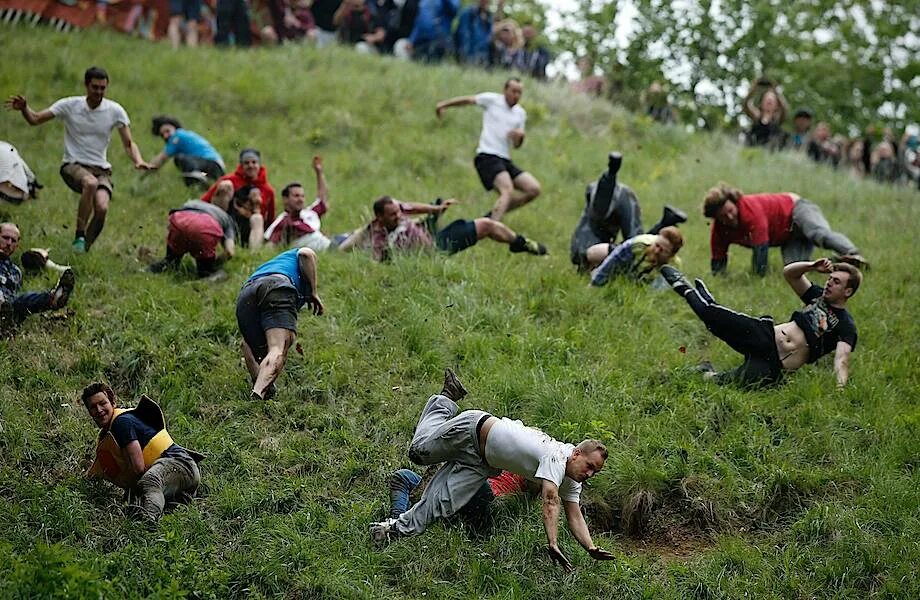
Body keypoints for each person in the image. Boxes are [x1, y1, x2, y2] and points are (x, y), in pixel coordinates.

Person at [370, 368, 616, 573]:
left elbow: (574, 515)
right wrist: (552, 542)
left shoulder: (572, 480)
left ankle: (386, 531)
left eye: (595, 472)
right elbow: (550, 500)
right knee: (418, 452)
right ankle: (445, 399)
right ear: (576, 454)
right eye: (590, 466)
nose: (590, 473)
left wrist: (591, 548)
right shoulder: (557, 455)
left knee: (439, 505)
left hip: (482, 464)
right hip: (472, 430)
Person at [6, 66, 150, 252]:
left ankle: (82, 251)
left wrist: (138, 160)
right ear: (86, 85)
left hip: (101, 170)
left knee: (102, 208)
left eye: (102, 88)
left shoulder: (115, 110)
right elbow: (35, 119)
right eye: (95, 87)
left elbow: (129, 143)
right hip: (73, 165)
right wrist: (25, 108)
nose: (99, 92)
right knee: (90, 183)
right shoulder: (70, 105)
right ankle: (79, 236)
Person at [660, 258, 860, 388]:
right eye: (830, 278)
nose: (829, 283)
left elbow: (842, 359)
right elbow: (790, 274)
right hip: (763, 336)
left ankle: (704, 370)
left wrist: (840, 388)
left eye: (836, 282)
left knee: (723, 383)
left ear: (848, 291)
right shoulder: (816, 296)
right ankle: (683, 286)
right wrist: (810, 266)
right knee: (711, 318)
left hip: (775, 366)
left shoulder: (846, 326)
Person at [83, 382, 203, 525]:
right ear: (89, 412)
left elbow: (139, 467)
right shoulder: (108, 434)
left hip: (180, 464)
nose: (99, 410)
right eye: (93, 407)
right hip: (176, 476)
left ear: (113, 402)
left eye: (102, 403)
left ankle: (149, 523)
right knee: (132, 503)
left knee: (148, 482)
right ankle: (178, 501)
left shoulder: (121, 423)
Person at [703, 183, 867, 276]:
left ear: (734, 203)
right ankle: (841, 261)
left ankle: (853, 253)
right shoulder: (719, 229)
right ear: (716, 218)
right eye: (724, 216)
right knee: (796, 270)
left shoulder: (749, 210)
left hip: (796, 209)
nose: (729, 217)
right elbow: (718, 258)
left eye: (730, 211)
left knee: (818, 234)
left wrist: (757, 278)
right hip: (788, 236)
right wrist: (719, 278)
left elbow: (761, 250)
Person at [436, 78, 540, 221]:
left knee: (533, 189)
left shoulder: (520, 113)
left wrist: (520, 137)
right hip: (487, 156)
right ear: (505, 90)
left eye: (519, 93)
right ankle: (493, 225)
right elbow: (468, 100)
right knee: (507, 190)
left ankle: (491, 217)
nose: (516, 95)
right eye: (513, 91)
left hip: (505, 159)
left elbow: (516, 145)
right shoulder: (492, 100)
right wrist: (443, 105)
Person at [570, 152, 687, 270]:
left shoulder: (585, 245)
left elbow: (633, 243)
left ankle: (610, 176)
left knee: (632, 245)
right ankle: (666, 221)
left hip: (609, 207)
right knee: (633, 242)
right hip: (612, 201)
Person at [338, 195, 546, 261]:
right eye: (393, 214)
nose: (398, 215)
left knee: (487, 225)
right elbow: (370, 256)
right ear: (379, 217)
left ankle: (522, 243)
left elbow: (411, 207)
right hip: (435, 252)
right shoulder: (377, 235)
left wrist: (436, 208)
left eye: (398, 211)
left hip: (430, 235)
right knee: (485, 225)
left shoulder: (396, 210)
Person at [236, 247, 324, 400]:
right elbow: (306, 253)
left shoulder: (275, 264)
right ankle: (257, 395)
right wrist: (314, 292)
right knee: (277, 348)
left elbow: (245, 345)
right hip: (277, 286)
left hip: (247, 292)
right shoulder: (297, 256)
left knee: (249, 344)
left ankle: (263, 388)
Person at [387, 466, 533, 534]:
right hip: (453, 488)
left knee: (478, 481)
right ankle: (395, 524)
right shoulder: (499, 452)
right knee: (403, 476)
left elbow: (534, 493)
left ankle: (434, 505)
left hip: (483, 499)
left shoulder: (529, 470)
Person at [0, 222, 75, 329]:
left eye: (13, 241)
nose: (9, 243)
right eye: (5, 238)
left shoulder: (15, 272)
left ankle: (53, 298)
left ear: (17, 246)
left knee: (23, 300)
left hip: (8, 308)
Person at [148, 198, 237, 278]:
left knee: (170, 263)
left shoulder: (194, 201)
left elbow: (171, 220)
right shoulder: (227, 218)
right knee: (205, 273)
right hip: (206, 227)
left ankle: (145, 271)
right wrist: (215, 263)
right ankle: (205, 276)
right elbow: (230, 251)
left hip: (181, 220)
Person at [201, 147, 274, 240]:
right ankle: (215, 233)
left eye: (254, 162)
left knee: (258, 218)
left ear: (259, 165)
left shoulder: (268, 190)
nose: (251, 165)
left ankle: (254, 253)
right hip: (226, 221)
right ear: (241, 165)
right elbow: (205, 200)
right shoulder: (229, 180)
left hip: (252, 228)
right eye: (246, 163)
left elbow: (271, 219)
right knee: (225, 185)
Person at [264, 156, 333, 251]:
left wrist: (319, 173)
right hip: (329, 249)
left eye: (302, 196)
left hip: (333, 242)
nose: (300, 199)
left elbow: (323, 199)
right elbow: (269, 245)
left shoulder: (309, 213)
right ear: (285, 199)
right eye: (296, 196)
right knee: (360, 235)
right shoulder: (283, 221)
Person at [588, 227, 683, 287]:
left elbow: (658, 290)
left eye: (663, 250)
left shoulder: (673, 267)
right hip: (624, 258)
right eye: (657, 245)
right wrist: (595, 282)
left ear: (671, 255)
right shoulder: (638, 244)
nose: (656, 251)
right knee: (593, 253)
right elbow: (614, 261)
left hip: (640, 281)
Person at [148, 116, 225, 186]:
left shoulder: (177, 136)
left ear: (174, 127)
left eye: (167, 131)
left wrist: (146, 168)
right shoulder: (184, 135)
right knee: (188, 177)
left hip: (212, 164)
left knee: (180, 159)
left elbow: (162, 158)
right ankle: (201, 181)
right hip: (216, 168)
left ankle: (196, 175)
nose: (165, 136)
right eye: (162, 135)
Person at [742, 78, 787, 149]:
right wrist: (754, 88)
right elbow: (746, 104)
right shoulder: (757, 116)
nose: (769, 101)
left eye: (772, 100)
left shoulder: (776, 119)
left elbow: (784, 108)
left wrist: (775, 90)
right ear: (761, 103)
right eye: (767, 99)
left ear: (777, 105)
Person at [454, 0, 495, 66]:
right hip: (470, 55)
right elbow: (463, 35)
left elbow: (489, 37)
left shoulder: (488, 16)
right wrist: (464, 56)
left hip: (484, 56)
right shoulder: (468, 13)